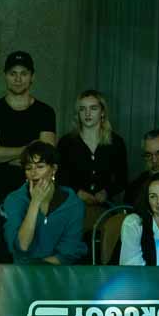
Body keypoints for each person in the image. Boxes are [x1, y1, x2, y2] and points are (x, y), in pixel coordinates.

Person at [0, 51, 56, 262]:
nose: (18, 78)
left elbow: (47, 156)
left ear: (32, 77)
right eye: (13, 73)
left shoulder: (45, 112)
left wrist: (3, 152)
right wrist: (28, 149)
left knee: (32, 247)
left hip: (34, 186)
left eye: (24, 73)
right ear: (5, 75)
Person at [3, 142, 88, 265]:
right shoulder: (15, 200)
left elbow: (68, 252)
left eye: (40, 166)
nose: (33, 173)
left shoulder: (73, 204)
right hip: (23, 271)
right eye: (28, 168)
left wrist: (40, 267)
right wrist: (35, 203)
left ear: (54, 169)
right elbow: (22, 247)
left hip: (59, 270)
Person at [57, 89, 127, 221]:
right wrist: (77, 192)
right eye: (82, 109)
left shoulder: (116, 142)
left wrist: (106, 192)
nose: (87, 113)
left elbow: (122, 179)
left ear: (102, 112)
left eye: (93, 108)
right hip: (71, 207)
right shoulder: (66, 143)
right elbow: (59, 177)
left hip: (105, 209)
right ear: (78, 113)